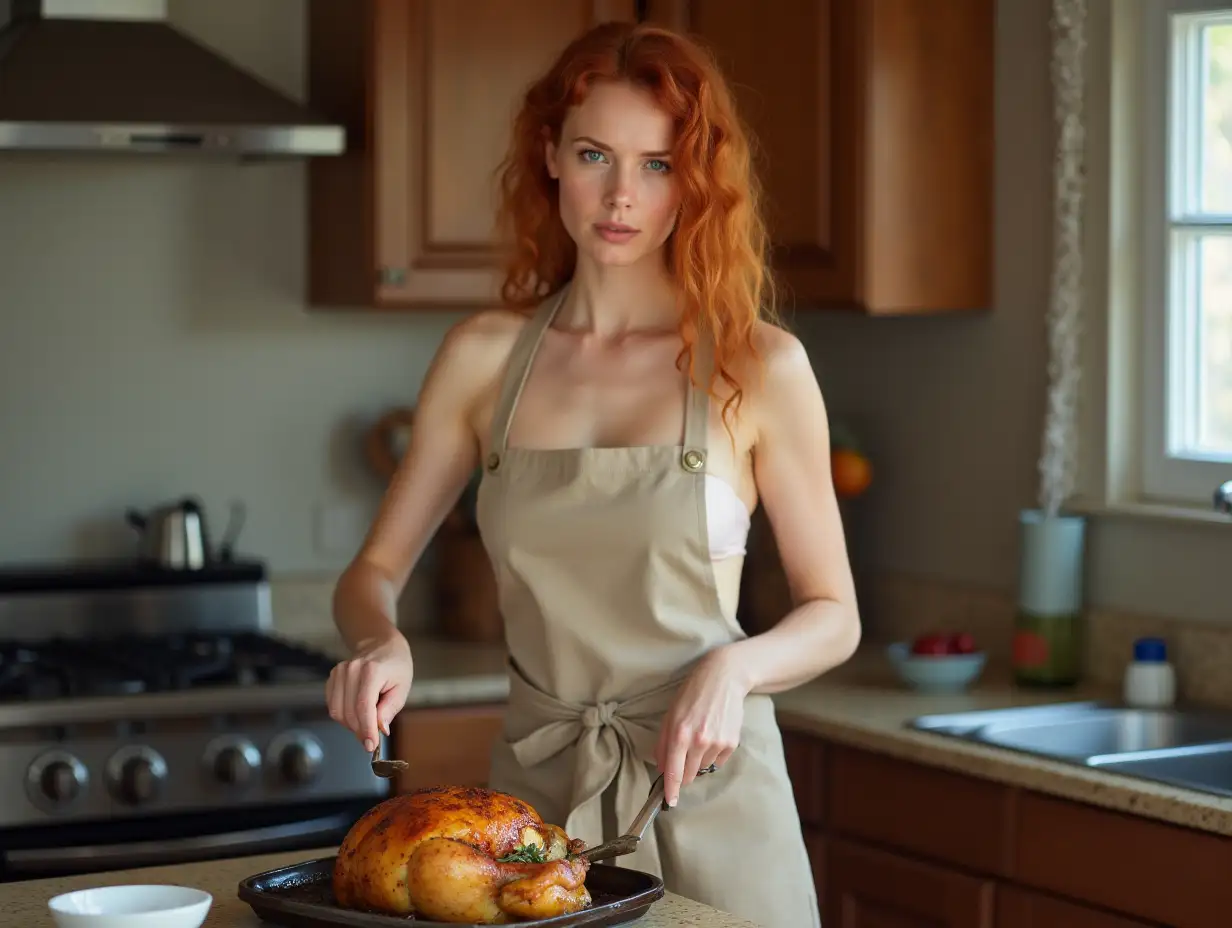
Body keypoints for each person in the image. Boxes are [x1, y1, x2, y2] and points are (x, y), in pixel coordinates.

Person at [325, 20, 860, 926]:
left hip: (715, 797)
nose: (622, 195)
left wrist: (735, 669)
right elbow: (371, 574)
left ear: (694, 181)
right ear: (549, 156)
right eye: (594, 154)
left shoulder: (759, 365)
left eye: (657, 164)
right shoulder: (482, 359)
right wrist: (379, 638)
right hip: (525, 820)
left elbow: (834, 616)